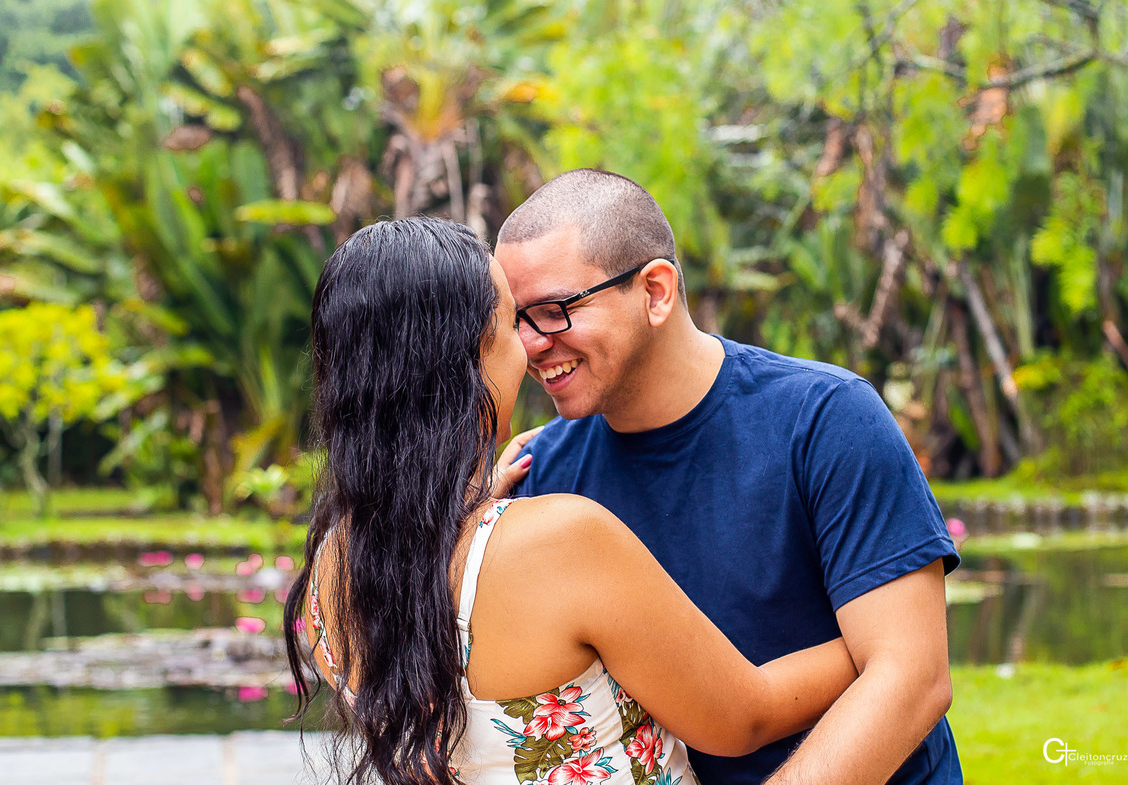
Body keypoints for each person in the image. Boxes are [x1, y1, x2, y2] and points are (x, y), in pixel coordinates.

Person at [284, 216, 859, 785]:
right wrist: (881, 649)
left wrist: (466, 506)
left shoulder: (328, 573)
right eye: (512, 321)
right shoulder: (561, 542)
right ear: (466, 361)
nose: (532, 345)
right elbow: (742, 717)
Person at [495, 169, 962, 785]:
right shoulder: (542, 472)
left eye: (554, 312)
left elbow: (912, 679)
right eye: (516, 320)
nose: (531, 345)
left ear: (655, 292)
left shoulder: (824, 419)